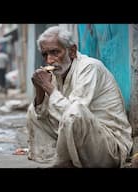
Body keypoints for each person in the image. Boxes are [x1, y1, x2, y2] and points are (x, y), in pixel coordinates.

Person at [26, 26, 133, 168]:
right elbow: (48, 115)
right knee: (33, 112)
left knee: (74, 111)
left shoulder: (89, 67)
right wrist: (40, 91)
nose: (49, 60)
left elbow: (73, 114)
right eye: (45, 55)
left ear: (72, 51)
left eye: (55, 52)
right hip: (81, 142)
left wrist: (48, 88)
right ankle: (52, 160)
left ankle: (64, 163)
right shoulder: (56, 74)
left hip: (110, 146)